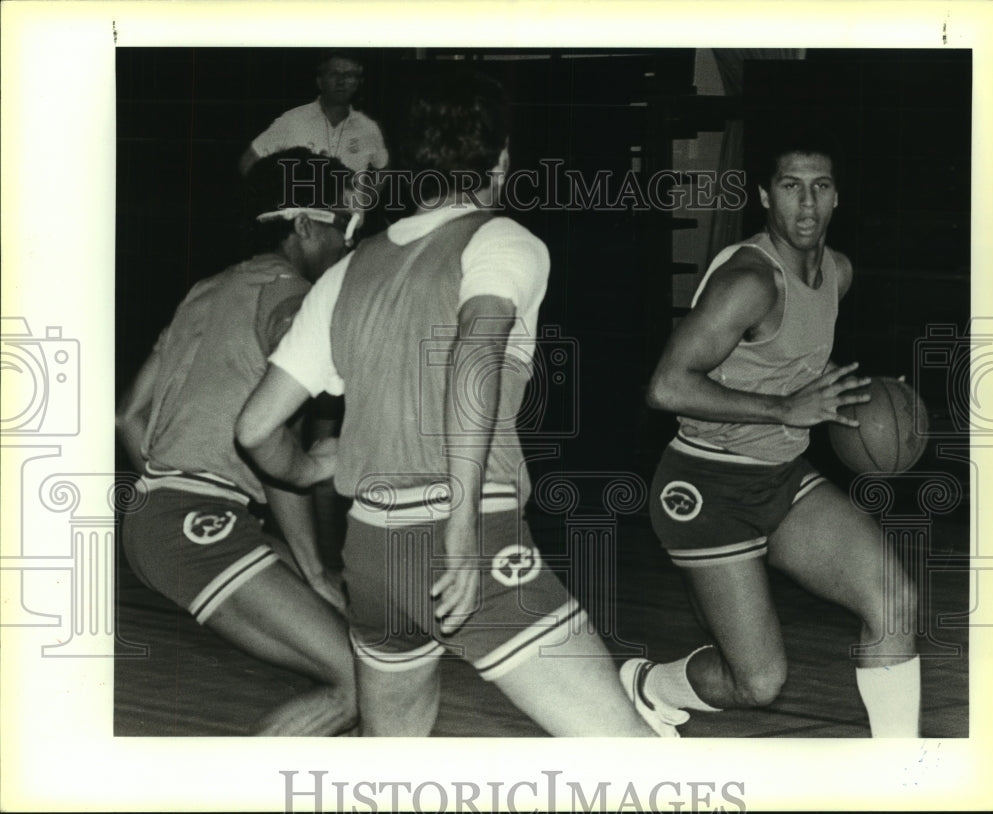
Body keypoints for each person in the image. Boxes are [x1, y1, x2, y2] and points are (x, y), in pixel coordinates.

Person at [236, 71, 680, 737]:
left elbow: (255, 427)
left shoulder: (345, 272)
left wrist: (304, 471)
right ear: (500, 162)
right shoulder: (502, 240)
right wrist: (461, 525)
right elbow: (475, 353)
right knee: (628, 756)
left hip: (373, 553)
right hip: (463, 535)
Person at [626, 128, 921, 737]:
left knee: (893, 603)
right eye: (791, 187)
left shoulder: (837, 274)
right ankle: (649, 685)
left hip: (782, 478)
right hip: (704, 487)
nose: (806, 204)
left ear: (838, 197)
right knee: (757, 684)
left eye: (820, 187)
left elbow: (792, 363)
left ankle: (903, 779)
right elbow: (666, 386)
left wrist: (863, 399)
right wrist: (785, 408)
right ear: (764, 196)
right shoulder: (750, 282)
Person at [115, 149, 362, 736]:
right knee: (358, 682)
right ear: (304, 224)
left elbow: (127, 416)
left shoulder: (207, 289)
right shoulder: (294, 300)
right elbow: (274, 451)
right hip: (194, 522)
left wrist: (168, 491)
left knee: (351, 656)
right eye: (347, 224)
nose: (353, 241)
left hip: (162, 513)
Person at [239, 50, 389, 178]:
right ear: (320, 81)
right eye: (333, 73)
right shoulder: (292, 120)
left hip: (349, 212)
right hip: (302, 212)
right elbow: (247, 162)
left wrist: (362, 202)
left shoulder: (368, 128)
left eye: (349, 75)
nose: (341, 81)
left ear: (358, 82)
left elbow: (382, 169)